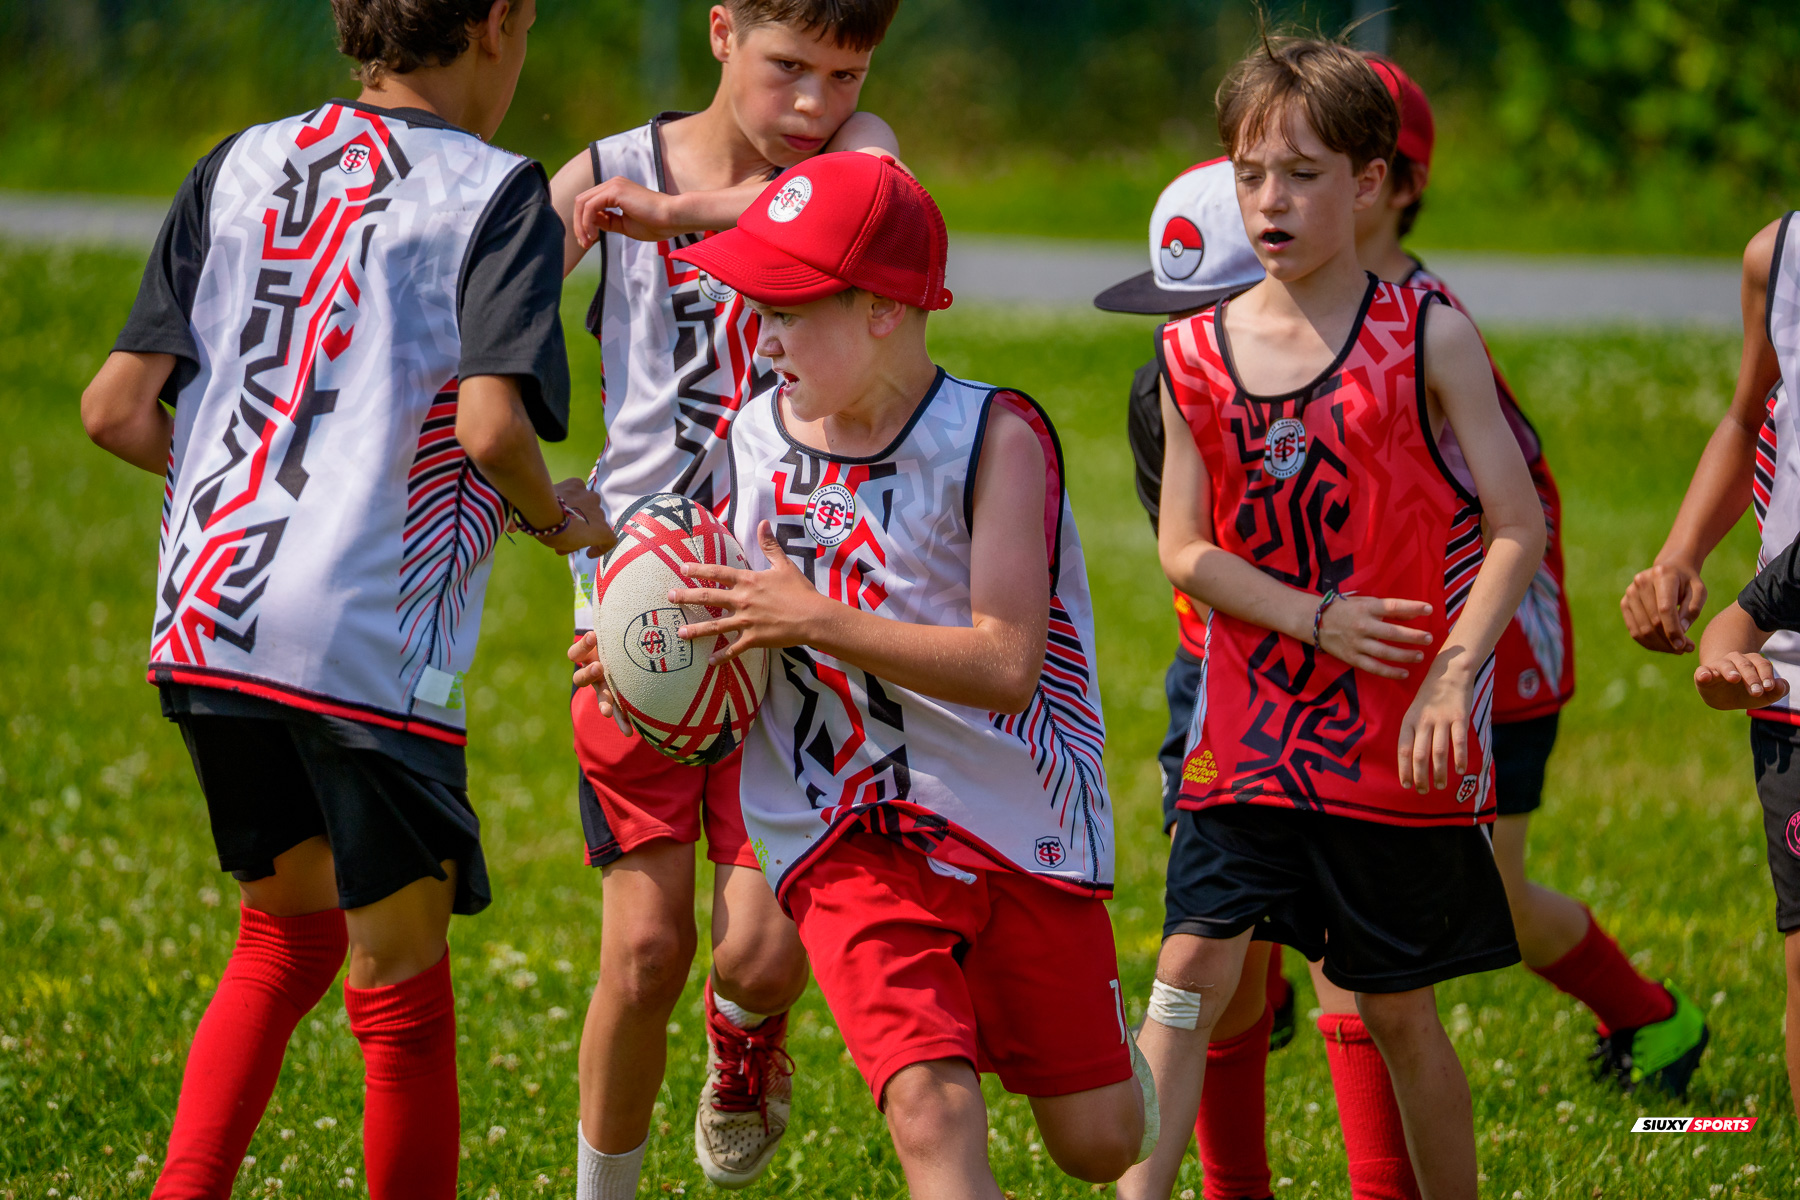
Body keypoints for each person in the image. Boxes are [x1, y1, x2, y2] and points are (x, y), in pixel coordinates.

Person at [76, 2, 607, 1197]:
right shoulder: (496, 190)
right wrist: (551, 515)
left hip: (210, 614)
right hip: (361, 641)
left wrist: (245, 482)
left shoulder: (242, 159)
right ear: (500, 22)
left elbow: (114, 408)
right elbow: (490, 427)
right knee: (401, 989)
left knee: (287, 933)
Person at [574, 150, 1154, 1196]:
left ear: (885, 308)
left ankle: (1086, 1041)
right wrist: (638, 644)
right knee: (932, 1110)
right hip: (840, 822)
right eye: (759, 307)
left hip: (1011, 813)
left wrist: (821, 620)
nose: (762, 335)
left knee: (1103, 1143)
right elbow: (714, 593)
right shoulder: (752, 439)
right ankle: (750, 1031)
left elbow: (1008, 666)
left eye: (790, 309)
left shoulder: (995, 439)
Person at [1117, 34, 1546, 1200]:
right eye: (1252, 172)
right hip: (1246, 728)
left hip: (1390, 729)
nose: (1272, 200)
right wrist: (1313, 618)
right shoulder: (1189, 353)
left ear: (1369, 184)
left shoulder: (1430, 338)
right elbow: (1186, 550)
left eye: (1303, 174)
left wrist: (1455, 677)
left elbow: (1518, 527)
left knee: (1399, 1011)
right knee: (1189, 967)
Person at [544, 1, 903, 1193]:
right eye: (788, 68)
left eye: (842, 74)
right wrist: (515, 471)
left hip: (793, 603)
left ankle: (745, 1044)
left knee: (758, 953)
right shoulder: (604, 174)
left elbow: (827, 207)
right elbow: (485, 321)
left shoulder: (866, 160)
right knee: (645, 951)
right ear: (719, 34)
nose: (815, 106)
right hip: (638, 605)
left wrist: (676, 220)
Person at [1094, 156, 1289, 1200]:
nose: (1180, 342)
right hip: (1220, 686)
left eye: (1203, 314)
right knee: (1206, 962)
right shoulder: (1161, 389)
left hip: (1348, 695)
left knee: (1358, 983)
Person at [1642, 204, 1800, 1121]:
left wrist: (1740, 620)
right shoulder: (1776, 258)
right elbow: (1749, 416)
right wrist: (1680, 556)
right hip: (1788, 668)